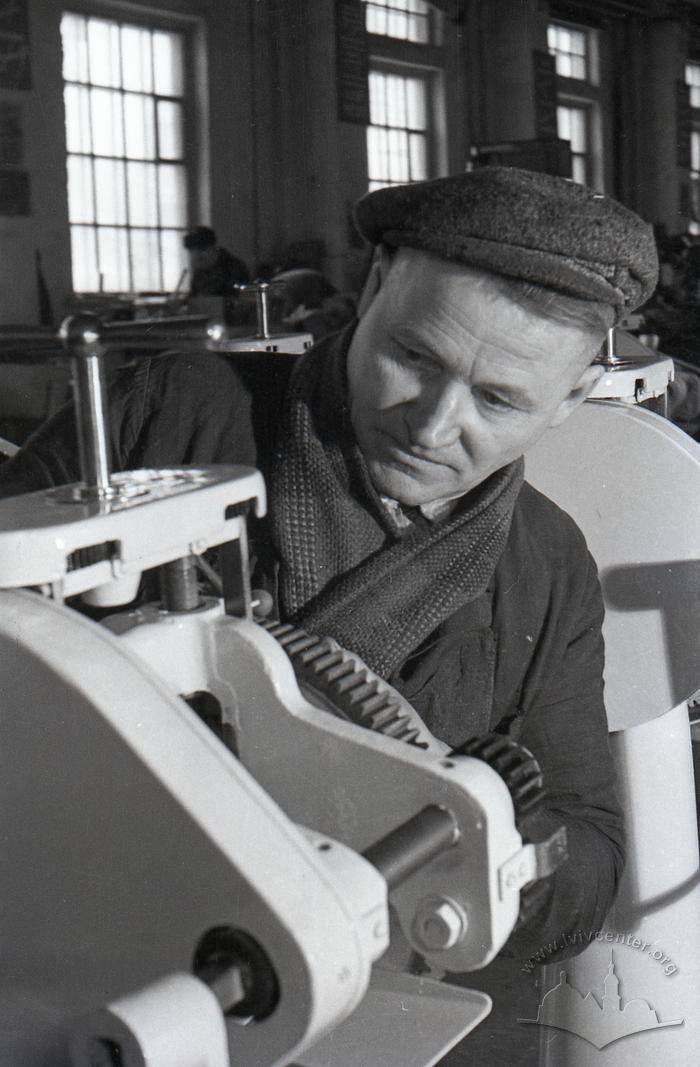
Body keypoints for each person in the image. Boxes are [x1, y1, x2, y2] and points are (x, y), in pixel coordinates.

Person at [0, 168, 658, 1056]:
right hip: (59, 944)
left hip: (342, 994)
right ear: (376, 285)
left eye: (499, 400)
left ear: (573, 398)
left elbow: (590, 854)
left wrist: (474, 826)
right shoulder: (174, 417)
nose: (432, 425)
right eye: (414, 357)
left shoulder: (547, 565)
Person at [183, 225, 250, 296]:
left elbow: (239, 300)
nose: (195, 255)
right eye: (191, 251)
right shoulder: (200, 272)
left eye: (201, 249)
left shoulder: (234, 269)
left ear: (214, 248)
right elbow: (194, 298)